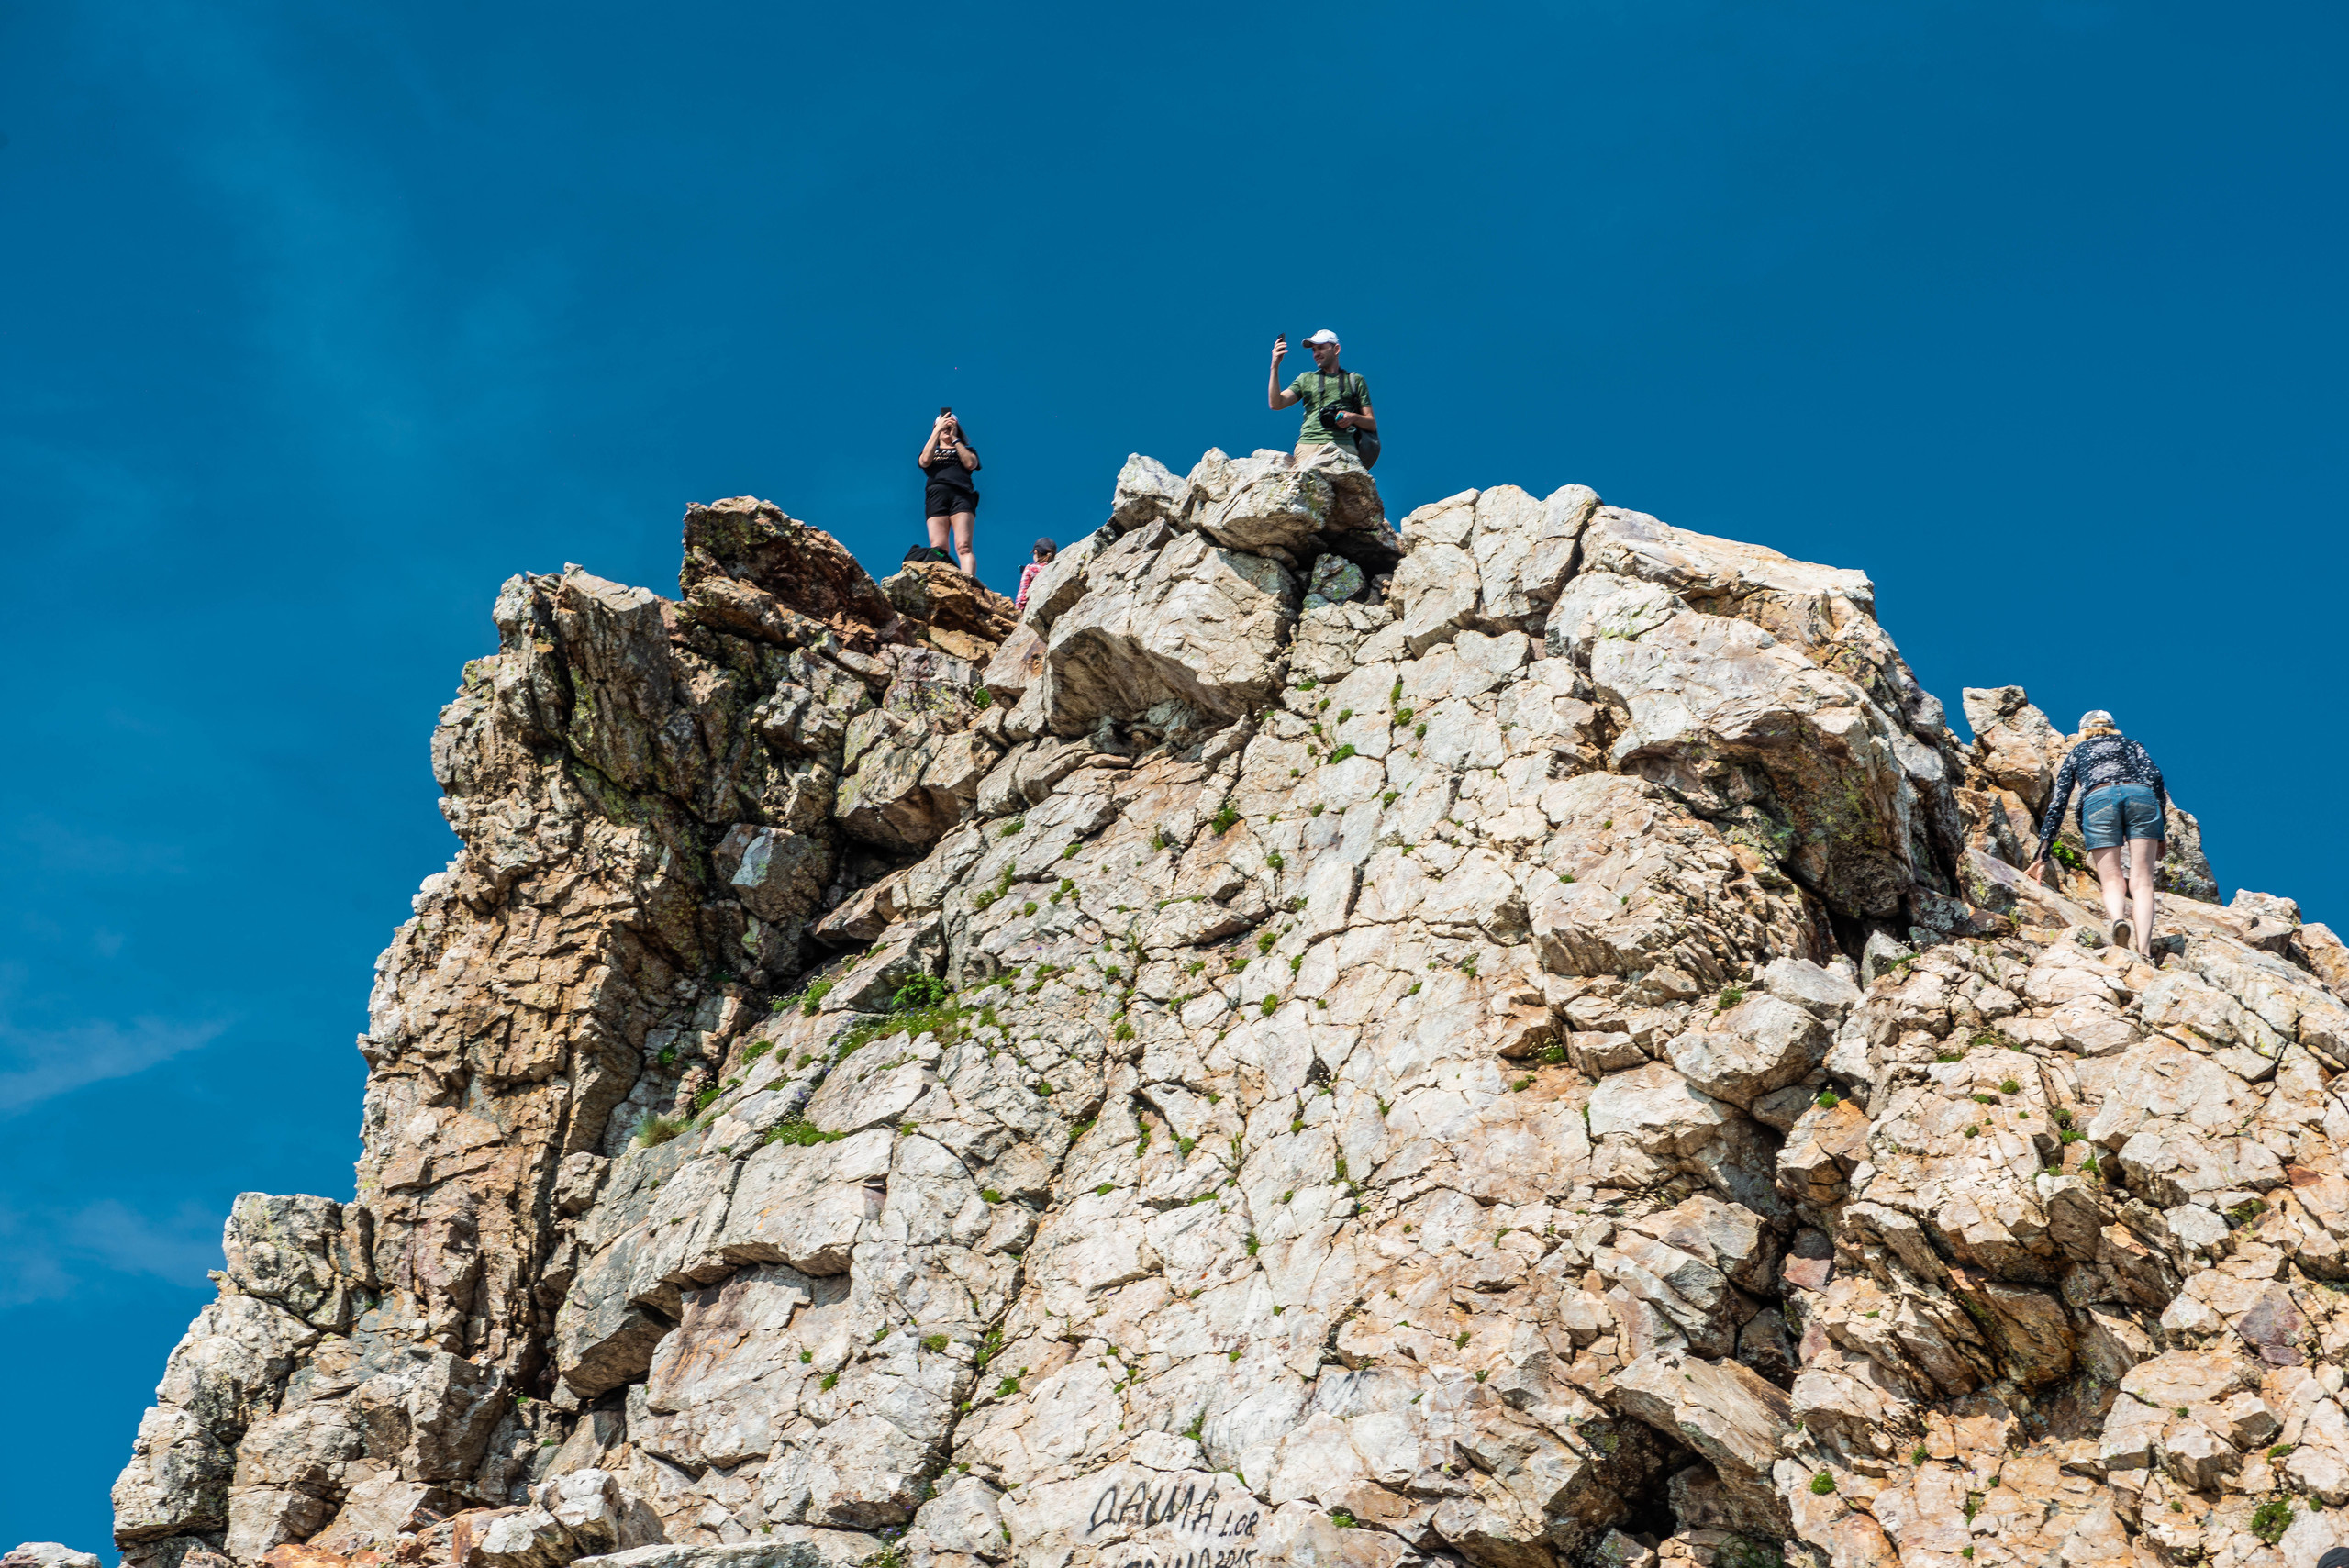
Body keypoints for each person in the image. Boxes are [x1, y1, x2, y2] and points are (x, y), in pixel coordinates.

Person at [2027, 710, 2168, 955]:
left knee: (2111, 880)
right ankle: (2144, 951)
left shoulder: (2077, 752)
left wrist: (2042, 856)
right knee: (2143, 882)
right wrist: (2161, 826)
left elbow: (2058, 803)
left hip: (2098, 800)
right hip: (2140, 796)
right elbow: (2155, 777)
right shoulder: (2131, 744)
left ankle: (2117, 922)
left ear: (2083, 730)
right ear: (2113, 728)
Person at [1268, 329, 1376, 466]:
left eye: (1320, 348)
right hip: (1308, 446)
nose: (1316, 354)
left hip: (1343, 446)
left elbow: (1371, 423)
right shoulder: (1305, 379)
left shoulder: (1355, 380)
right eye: (1313, 350)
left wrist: (1352, 417)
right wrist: (1274, 366)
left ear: (1336, 349)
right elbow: (1276, 403)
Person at [918, 409, 982, 578]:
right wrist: (937, 430)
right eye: (942, 425)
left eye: (950, 424)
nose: (946, 428)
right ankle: (941, 580)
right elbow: (924, 461)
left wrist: (955, 438)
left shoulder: (968, 450)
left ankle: (969, 581)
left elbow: (970, 464)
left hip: (961, 495)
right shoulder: (931, 451)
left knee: (964, 545)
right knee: (939, 547)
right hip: (936, 496)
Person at [1016, 539, 1057, 611]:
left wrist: (1018, 611)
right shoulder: (1057, 568)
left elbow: (1022, 594)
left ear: (1036, 552)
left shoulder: (1030, 568)